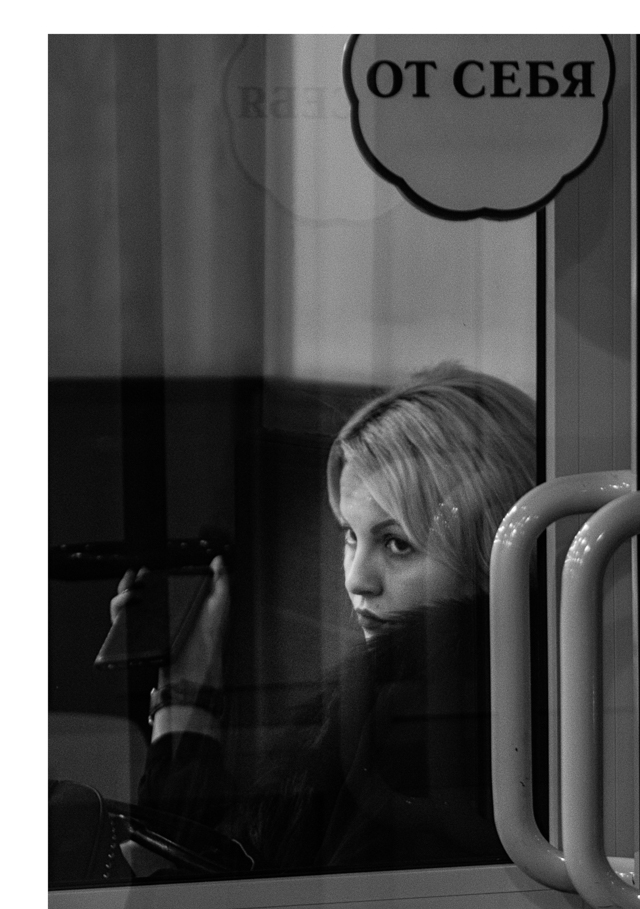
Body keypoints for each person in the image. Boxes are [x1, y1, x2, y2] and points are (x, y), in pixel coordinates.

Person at [112, 362, 536, 873]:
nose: (357, 579)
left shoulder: (428, 728)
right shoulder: (429, 699)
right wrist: (188, 693)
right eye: (351, 536)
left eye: (397, 544)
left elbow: (253, 899)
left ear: (494, 552)